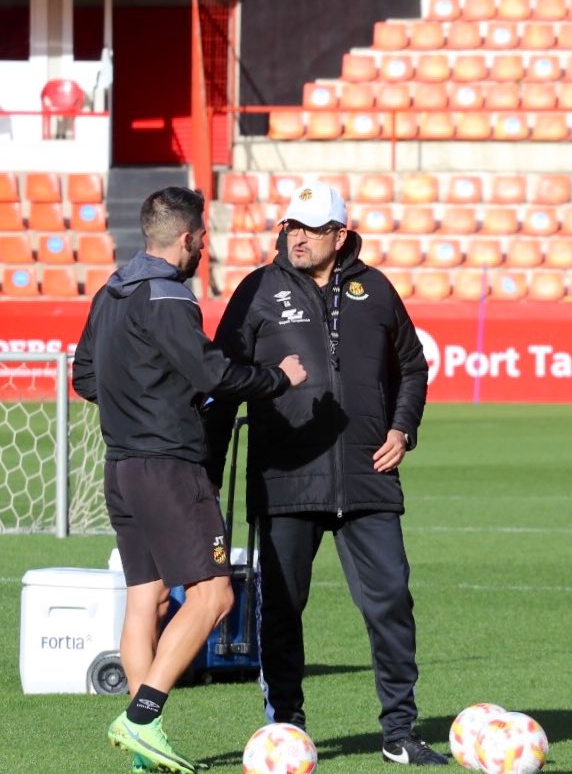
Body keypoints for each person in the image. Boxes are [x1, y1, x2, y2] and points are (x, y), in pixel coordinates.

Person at [203, 182, 447, 765]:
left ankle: (400, 733)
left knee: (390, 603)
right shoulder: (258, 290)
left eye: (311, 228)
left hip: (368, 478)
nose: (297, 237)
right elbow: (222, 380)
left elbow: (412, 367)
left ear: (340, 234)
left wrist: (402, 428)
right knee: (282, 610)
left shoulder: (378, 289)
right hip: (286, 479)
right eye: (292, 226)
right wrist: (206, 476)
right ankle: (286, 730)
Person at [72, 186, 307, 774]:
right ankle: (143, 718)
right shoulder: (169, 295)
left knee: (144, 601)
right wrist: (277, 378)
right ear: (187, 239)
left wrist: (139, 404)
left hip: (120, 467)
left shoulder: (110, 290)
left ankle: (141, 748)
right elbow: (212, 372)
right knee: (214, 595)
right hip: (169, 468)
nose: (205, 244)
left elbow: (84, 376)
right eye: (203, 236)